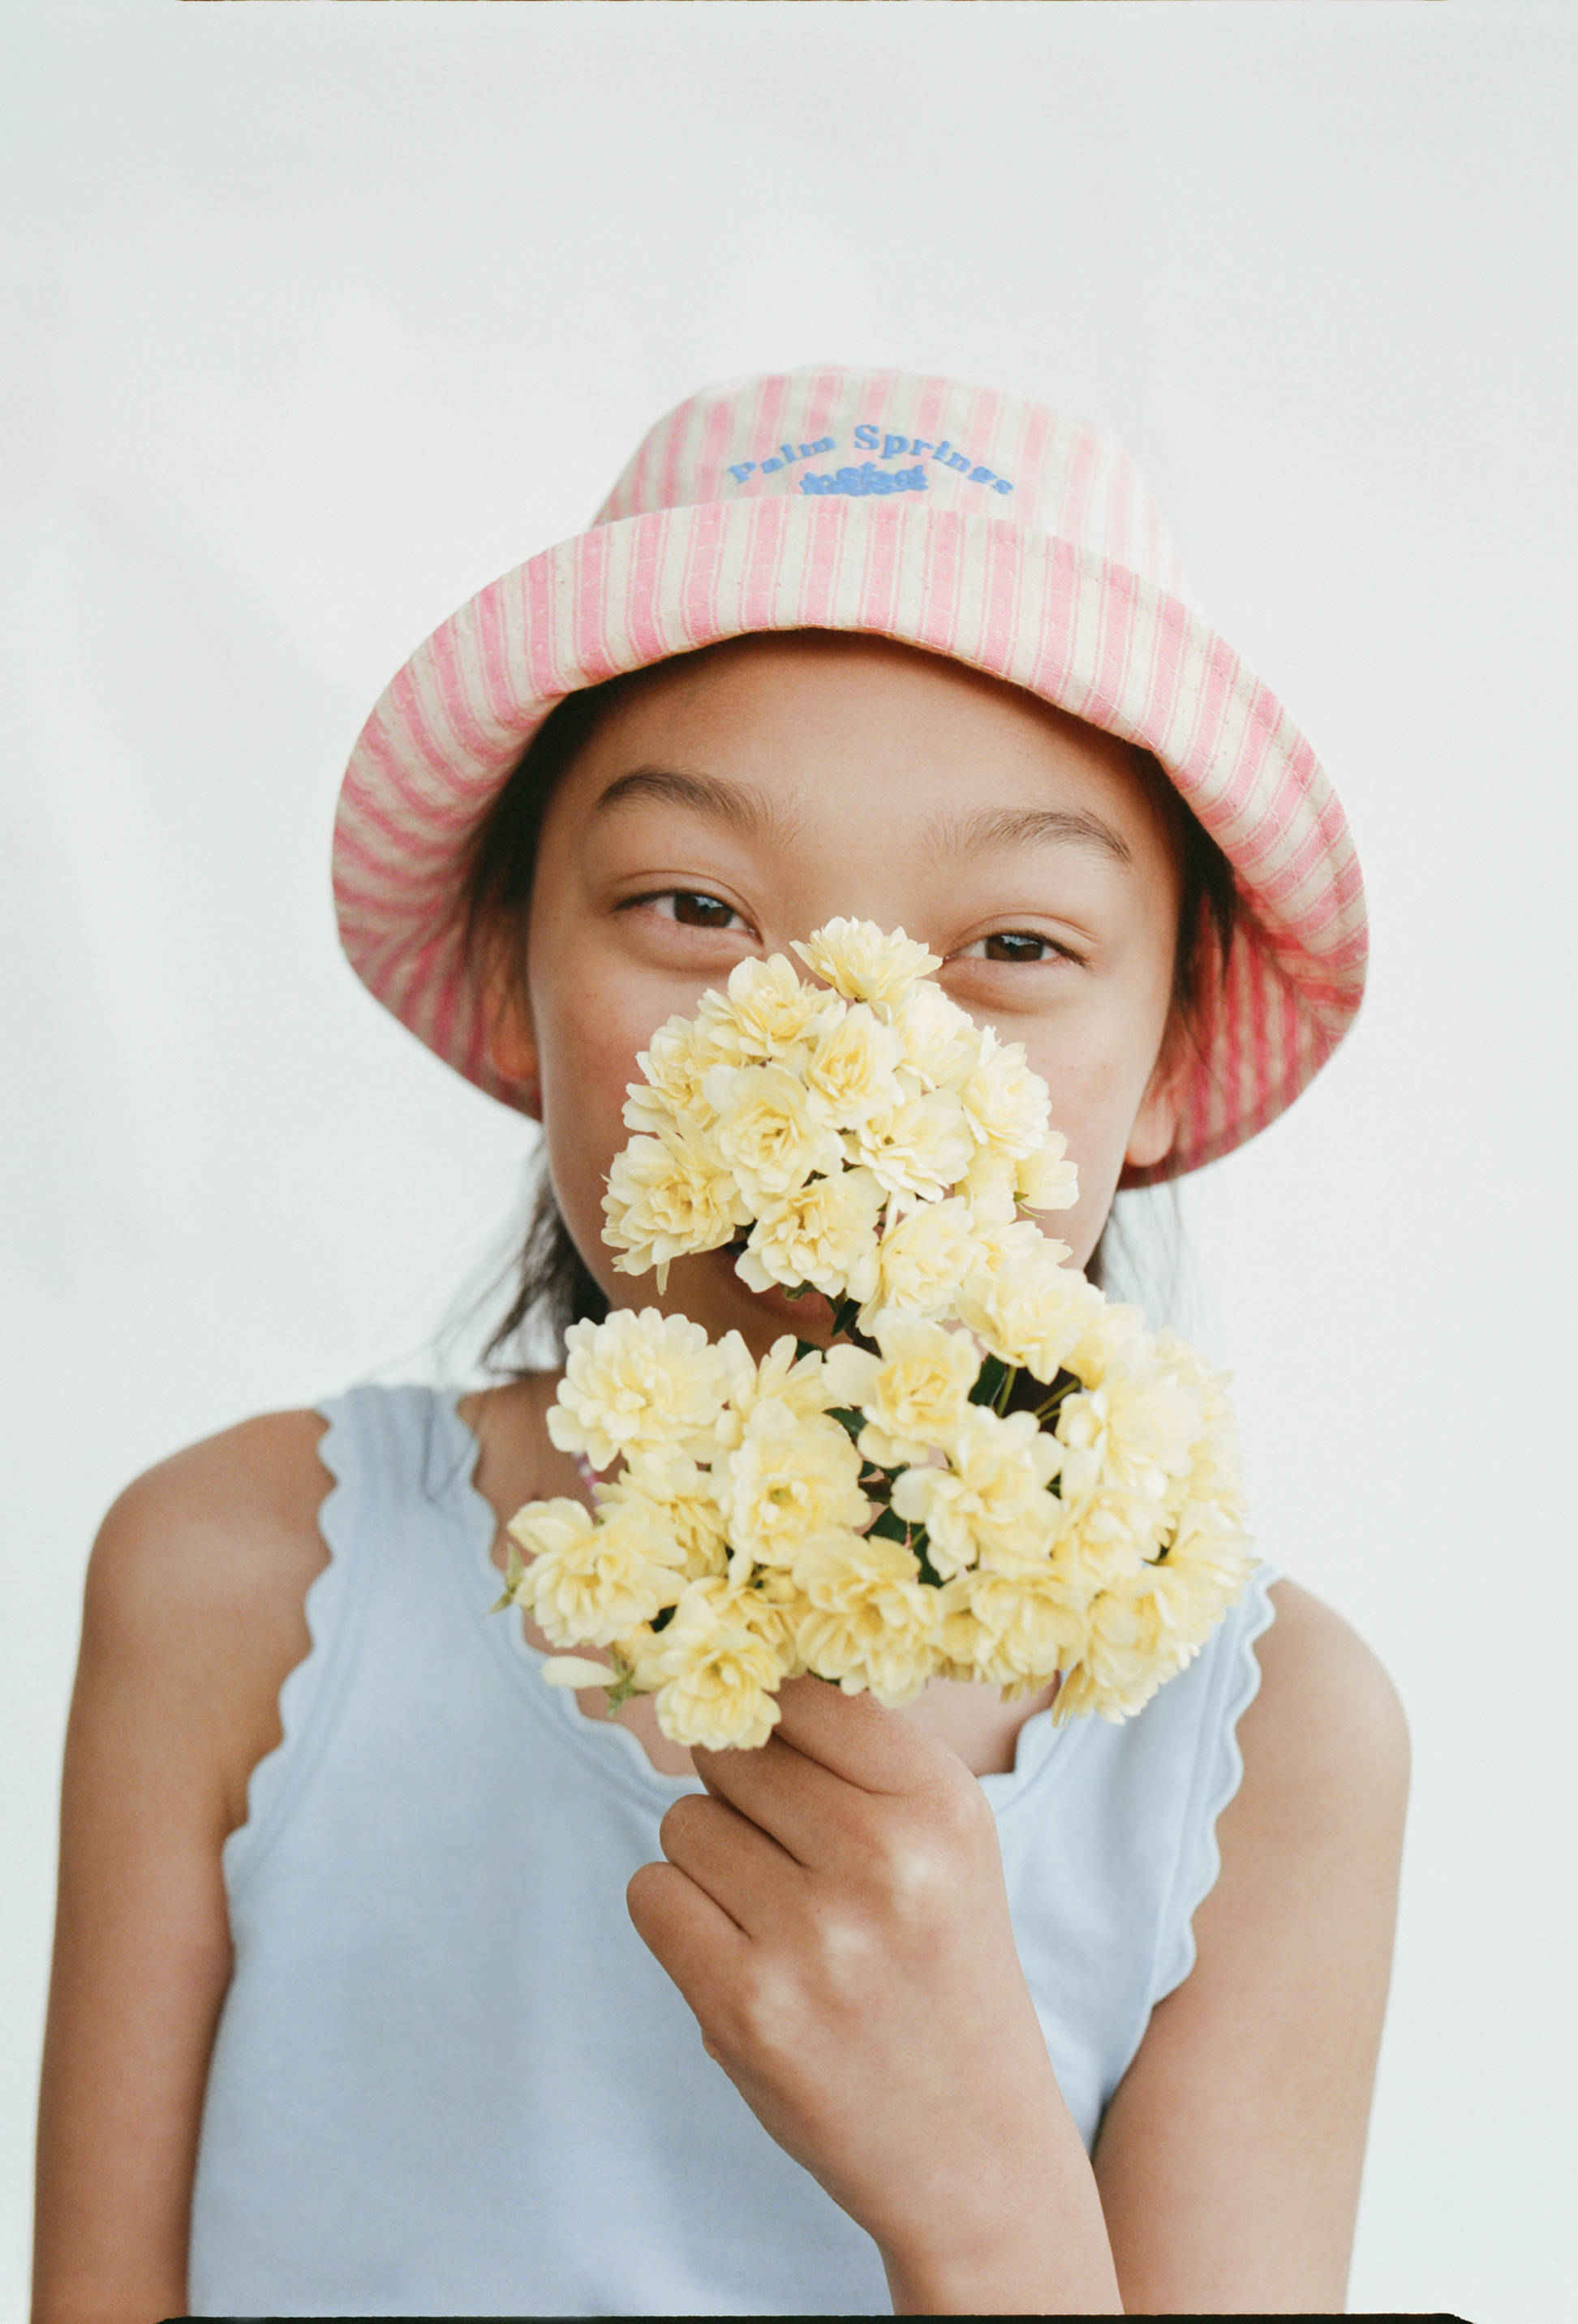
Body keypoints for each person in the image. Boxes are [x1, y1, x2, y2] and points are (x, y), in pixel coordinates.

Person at [32, 365, 1409, 2320]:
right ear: (516, 969)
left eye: (1011, 946)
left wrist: (985, 2188)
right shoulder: (239, 1580)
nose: (846, 1061)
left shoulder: (1267, 1749)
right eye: (692, 906)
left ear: (1172, 1042)